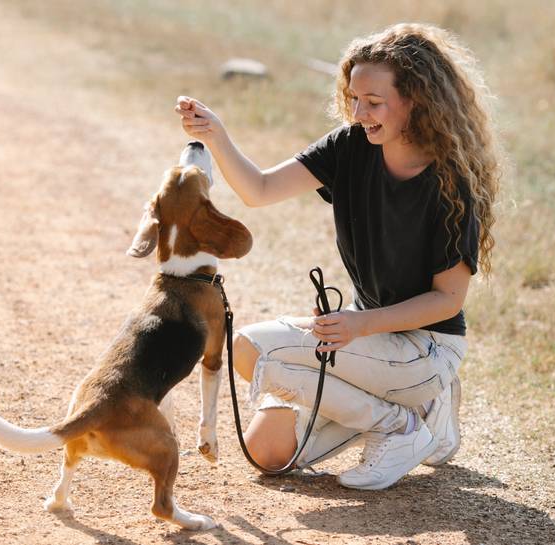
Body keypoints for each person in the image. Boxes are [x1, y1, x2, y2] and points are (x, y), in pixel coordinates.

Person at [175, 23, 500, 490]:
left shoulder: (451, 182)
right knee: (269, 453)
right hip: (364, 341)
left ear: (415, 100)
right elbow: (260, 189)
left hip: (426, 347)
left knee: (248, 347)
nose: (358, 112)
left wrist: (357, 326)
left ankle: (401, 426)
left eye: (373, 101)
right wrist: (217, 135)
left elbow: (447, 300)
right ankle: (421, 413)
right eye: (353, 98)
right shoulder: (350, 145)